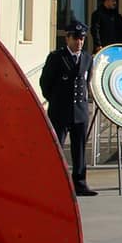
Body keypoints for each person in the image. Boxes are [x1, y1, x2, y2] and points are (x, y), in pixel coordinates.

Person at [39, 20, 97, 197]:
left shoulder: (87, 58)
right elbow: (45, 83)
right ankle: (54, 183)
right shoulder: (56, 57)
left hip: (79, 111)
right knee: (57, 149)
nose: (79, 42)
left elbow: (86, 81)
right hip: (60, 111)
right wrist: (56, 101)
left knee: (79, 149)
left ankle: (80, 183)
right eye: (76, 39)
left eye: (82, 39)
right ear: (67, 38)